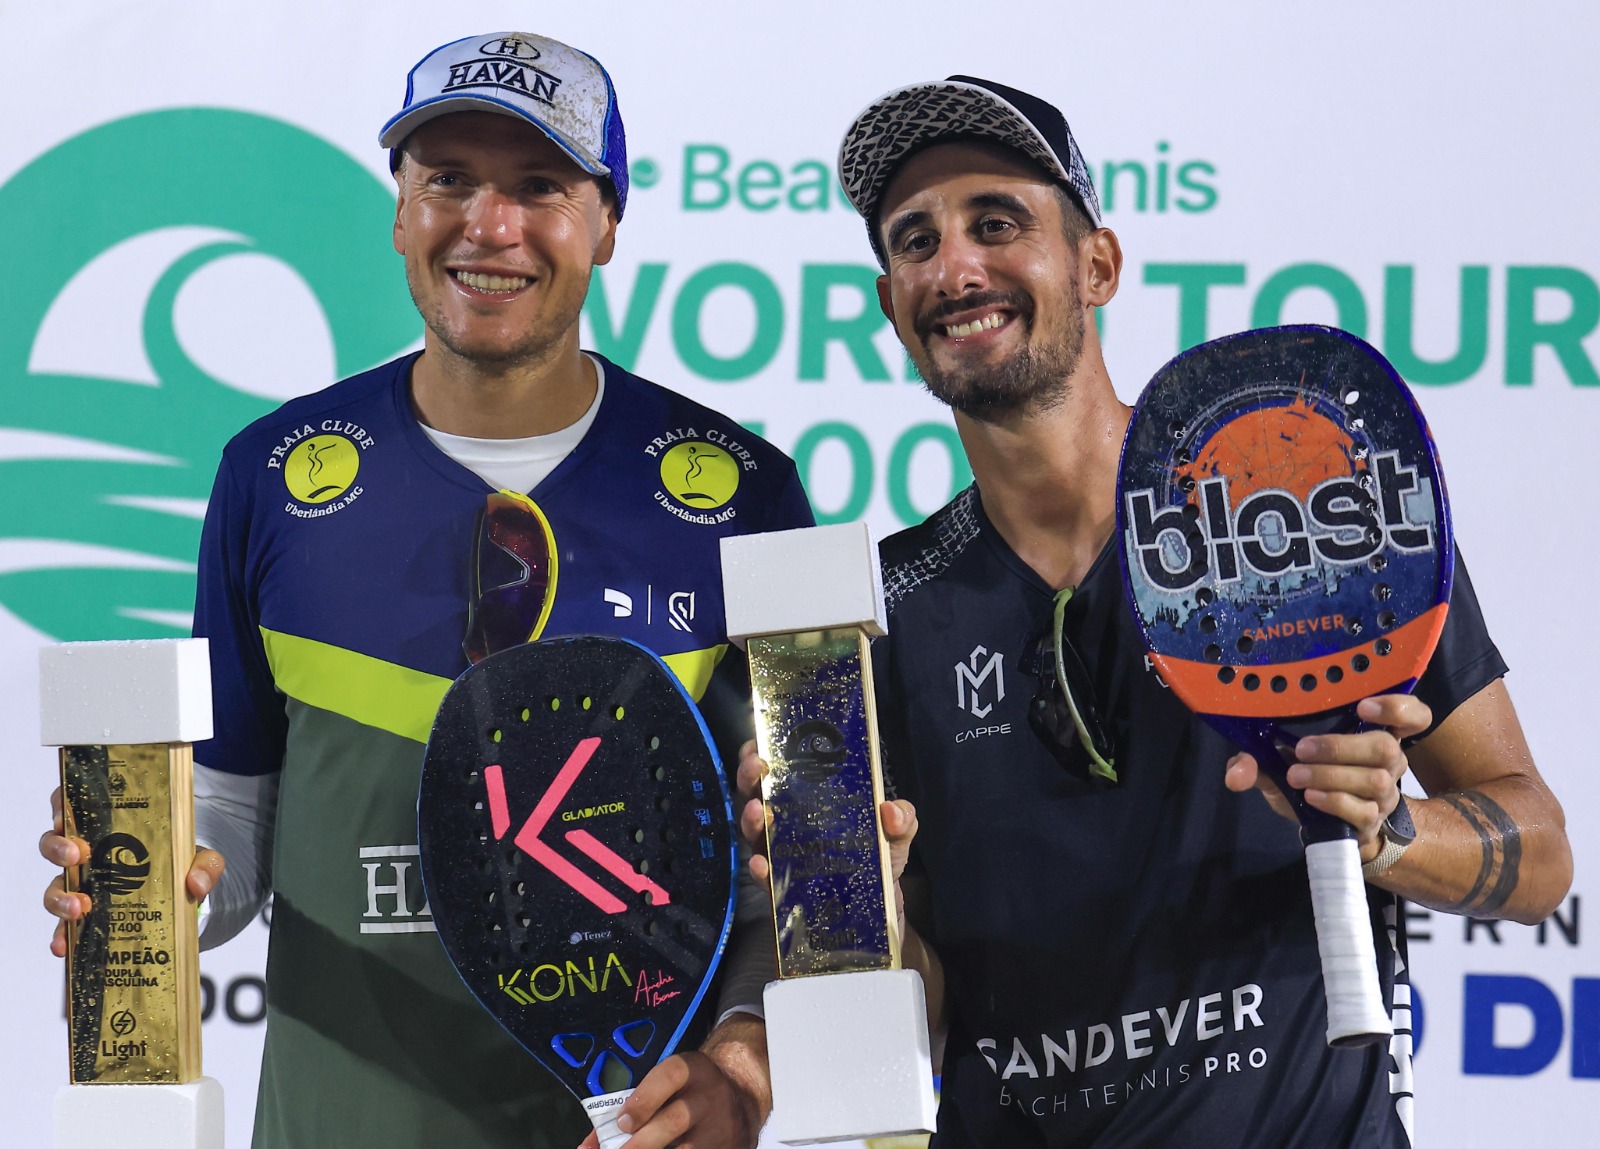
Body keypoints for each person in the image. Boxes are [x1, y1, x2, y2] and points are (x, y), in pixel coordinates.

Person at [738, 75, 1571, 1148]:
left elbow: (1539, 858)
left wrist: (1391, 832)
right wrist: (862, 910)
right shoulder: (863, 625)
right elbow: (923, 1017)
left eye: (996, 223)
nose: (954, 268)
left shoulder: (1311, 514)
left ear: (1097, 265)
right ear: (891, 303)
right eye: (914, 242)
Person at [40, 31, 806, 1149]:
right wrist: (152, 890)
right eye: (447, 179)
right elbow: (235, 827)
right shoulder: (272, 471)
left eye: (538, 186)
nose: (487, 226)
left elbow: (793, 857)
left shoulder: (741, 491)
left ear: (605, 224)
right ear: (400, 211)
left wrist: (743, 1055)